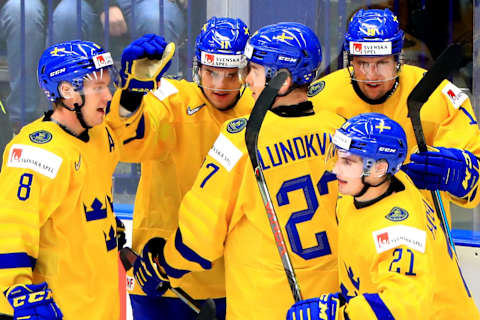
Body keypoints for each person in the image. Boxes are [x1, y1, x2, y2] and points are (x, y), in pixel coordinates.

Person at [131, 22, 346, 320]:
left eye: (253, 71)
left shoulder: (242, 137)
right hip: (329, 302)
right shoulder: (339, 131)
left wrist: (162, 265)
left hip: (262, 301)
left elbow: (199, 237)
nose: (246, 80)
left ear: (279, 80)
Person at [106, 17, 253, 319]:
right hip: (160, 277)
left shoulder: (258, 109)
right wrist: (132, 94)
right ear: (198, 67)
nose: (220, 84)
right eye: (211, 72)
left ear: (246, 71)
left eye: (231, 74)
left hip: (235, 278)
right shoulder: (172, 98)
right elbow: (129, 142)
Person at [286, 113, 480, 319]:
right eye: (338, 157)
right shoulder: (361, 193)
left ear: (379, 168)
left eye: (348, 162)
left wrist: (338, 314)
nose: (336, 169)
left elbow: (404, 306)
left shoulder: (400, 232)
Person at [308, 8, 480, 226]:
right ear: (349, 60)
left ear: (398, 59)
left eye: (381, 63)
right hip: (346, 236)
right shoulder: (320, 99)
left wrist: (456, 174)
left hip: (417, 234)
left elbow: (477, 178)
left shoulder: (438, 95)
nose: (371, 75)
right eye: (362, 63)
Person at [0, 40, 125, 318]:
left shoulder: (99, 135)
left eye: (108, 85)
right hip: (59, 308)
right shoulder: (36, 152)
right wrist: (15, 291)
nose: (108, 96)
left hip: (100, 302)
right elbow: (11, 228)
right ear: (68, 91)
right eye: (98, 88)